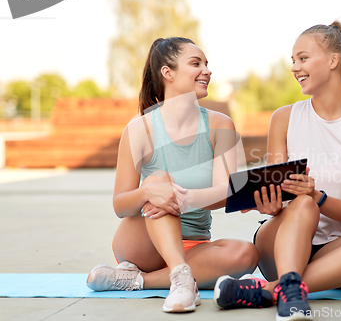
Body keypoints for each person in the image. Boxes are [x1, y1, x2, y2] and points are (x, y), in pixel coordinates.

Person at [213, 21, 341, 320]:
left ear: (333, 61)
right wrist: (273, 206)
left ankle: (272, 290)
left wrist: (318, 195)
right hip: (280, 240)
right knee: (303, 205)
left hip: (335, 254)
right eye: (293, 60)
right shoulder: (284, 118)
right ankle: (287, 288)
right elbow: (281, 196)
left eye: (303, 58)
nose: (295, 67)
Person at [86, 37, 259, 313]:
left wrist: (186, 199)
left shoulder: (220, 125)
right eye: (196, 63)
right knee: (158, 183)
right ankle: (179, 277)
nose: (207, 70)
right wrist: (147, 192)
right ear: (168, 72)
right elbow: (120, 205)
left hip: (195, 243)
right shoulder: (138, 129)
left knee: (248, 254)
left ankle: (139, 281)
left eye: (206, 64)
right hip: (142, 244)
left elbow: (226, 191)